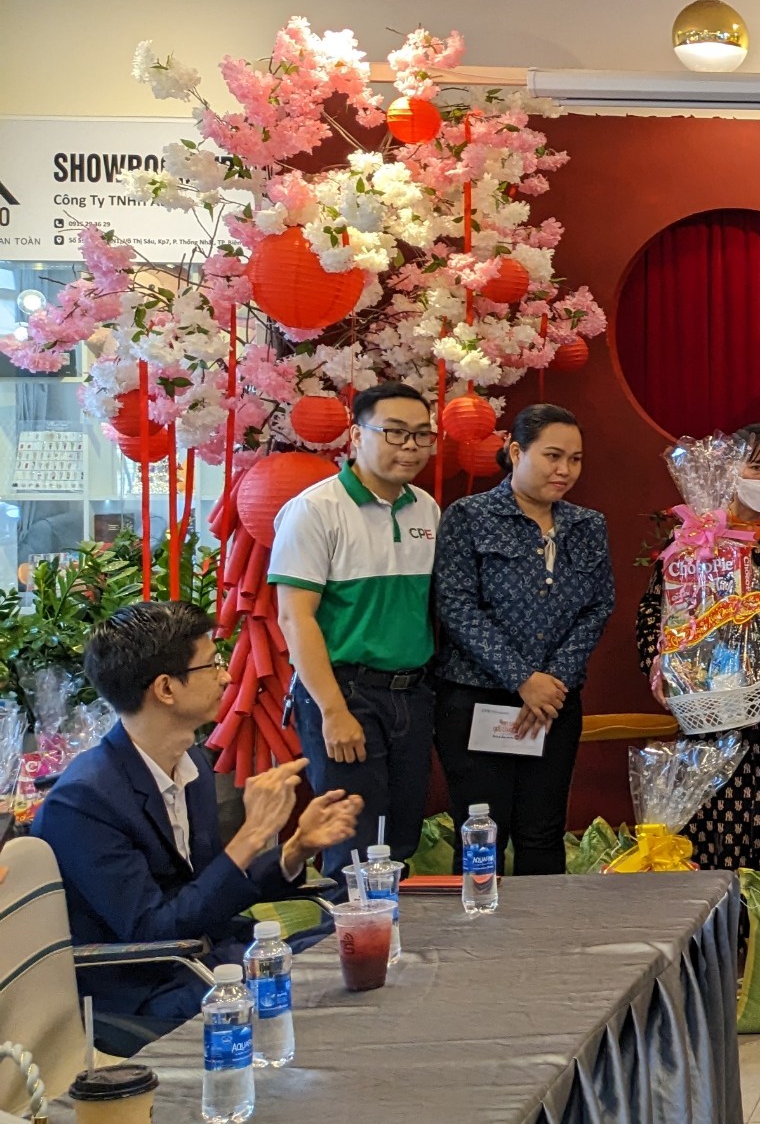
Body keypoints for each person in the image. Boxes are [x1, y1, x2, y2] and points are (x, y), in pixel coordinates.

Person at [35, 603, 363, 1050]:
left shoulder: (191, 763)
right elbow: (154, 931)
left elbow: (207, 889)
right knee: (324, 993)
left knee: (350, 938)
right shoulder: (83, 801)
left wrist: (295, 849)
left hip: (211, 961)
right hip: (149, 988)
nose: (226, 678)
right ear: (166, 688)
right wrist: (250, 836)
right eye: (212, 665)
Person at [634, 424, 760, 891]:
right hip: (709, 710)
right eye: (756, 466)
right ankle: (723, 930)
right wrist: (664, 673)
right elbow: (654, 616)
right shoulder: (694, 538)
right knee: (714, 828)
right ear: (730, 470)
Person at [430, 404, 614, 877]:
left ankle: (542, 927)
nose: (564, 469)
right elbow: (455, 606)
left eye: (575, 459)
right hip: (477, 699)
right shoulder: (469, 516)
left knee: (543, 834)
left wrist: (551, 681)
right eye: (553, 456)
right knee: (482, 834)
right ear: (516, 452)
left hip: (554, 702)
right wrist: (522, 679)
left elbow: (598, 606)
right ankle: (478, 925)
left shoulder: (588, 525)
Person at [271, 380, 442, 874]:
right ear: (356, 435)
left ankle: (398, 926)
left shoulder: (426, 508)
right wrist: (333, 710)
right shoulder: (315, 510)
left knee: (402, 836)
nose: (410, 446)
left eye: (421, 435)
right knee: (353, 842)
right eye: (394, 432)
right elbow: (294, 616)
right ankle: (344, 925)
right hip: (346, 691)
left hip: (411, 693)